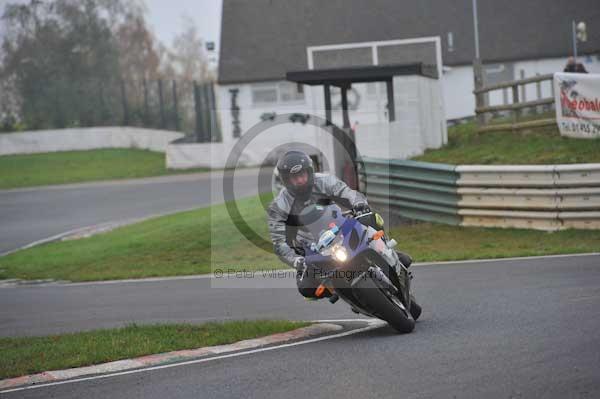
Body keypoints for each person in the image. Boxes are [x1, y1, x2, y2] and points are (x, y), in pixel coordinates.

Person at [267, 150, 412, 299]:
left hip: (340, 228)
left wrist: (359, 203)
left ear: (309, 172)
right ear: (286, 180)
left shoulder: (324, 181)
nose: (300, 180)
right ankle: (341, 291)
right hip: (312, 249)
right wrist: (297, 260)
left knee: (369, 217)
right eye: (294, 177)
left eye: (302, 174)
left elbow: (347, 192)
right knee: (306, 288)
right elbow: (279, 243)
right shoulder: (278, 206)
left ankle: (387, 251)